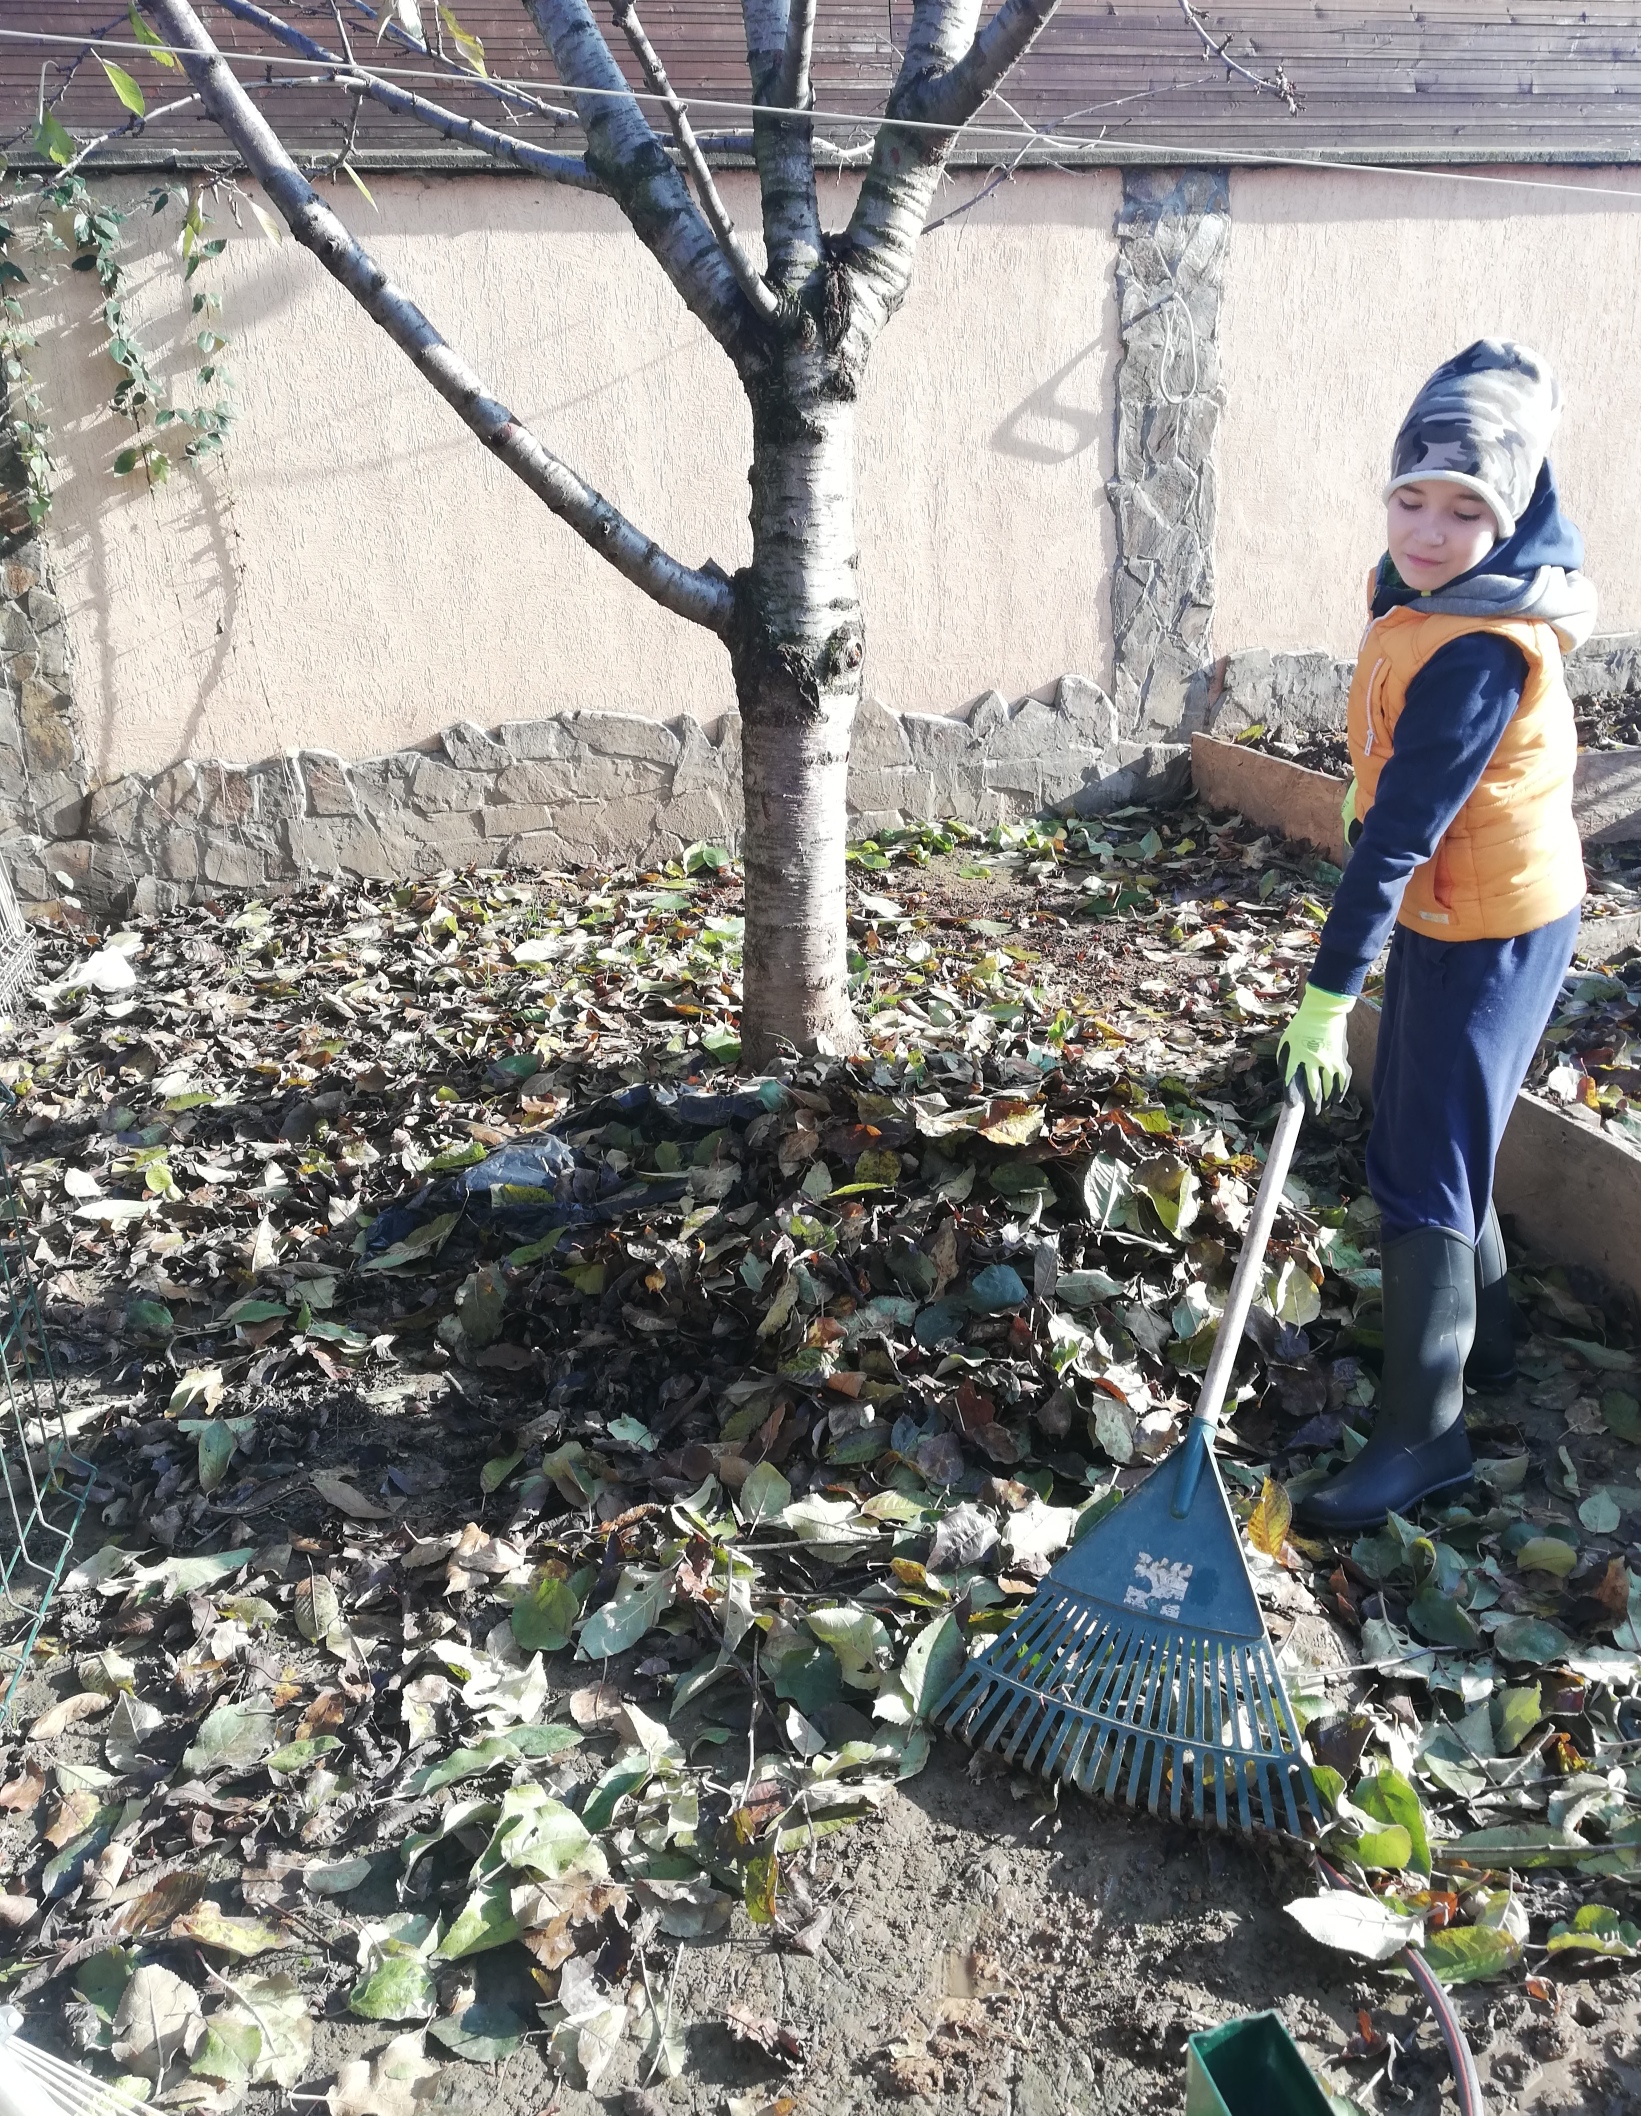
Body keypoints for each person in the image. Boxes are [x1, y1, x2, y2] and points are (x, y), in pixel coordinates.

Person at [1276, 340, 1597, 1533]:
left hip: (1492, 924)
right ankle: (1488, 1343)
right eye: (1410, 496)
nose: (1424, 528)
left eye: (1464, 509)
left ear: (1507, 520)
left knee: (1419, 1160)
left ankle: (1426, 1434)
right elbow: (1406, 782)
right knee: (1443, 1127)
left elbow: (1398, 841)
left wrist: (1324, 998)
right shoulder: (1423, 594)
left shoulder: (1476, 647)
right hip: (1463, 904)